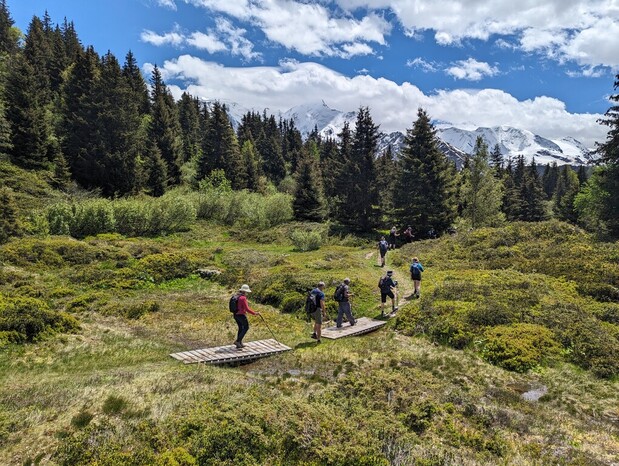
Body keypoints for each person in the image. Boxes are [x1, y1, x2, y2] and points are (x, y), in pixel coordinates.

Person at [232, 284, 260, 349]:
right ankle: (238, 341)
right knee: (246, 327)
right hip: (241, 315)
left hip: (235, 315)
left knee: (241, 328)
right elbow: (247, 309)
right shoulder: (243, 298)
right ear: (245, 291)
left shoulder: (237, 296)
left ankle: (239, 343)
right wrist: (255, 313)